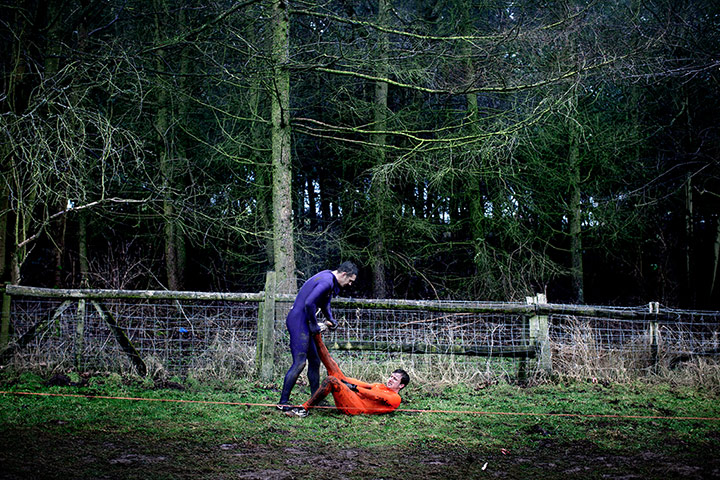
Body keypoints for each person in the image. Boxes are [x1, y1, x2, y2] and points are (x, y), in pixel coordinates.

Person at [277, 261, 358, 412]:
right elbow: (309, 303)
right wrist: (314, 325)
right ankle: (283, 401)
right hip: (298, 321)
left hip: (305, 321)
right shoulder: (327, 281)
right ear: (344, 274)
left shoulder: (331, 281)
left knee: (314, 361)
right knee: (300, 363)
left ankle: (315, 399)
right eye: (350, 281)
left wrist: (331, 319)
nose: (350, 284)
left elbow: (325, 303)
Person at [284, 332, 410, 417]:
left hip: (356, 409)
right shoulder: (381, 386)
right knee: (334, 369)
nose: (390, 379)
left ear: (401, 386)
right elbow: (365, 385)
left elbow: (374, 396)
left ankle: (304, 409)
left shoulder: (395, 398)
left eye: (395, 379)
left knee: (331, 380)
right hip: (353, 400)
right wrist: (344, 380)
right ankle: (316, 335)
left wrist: (353, 387)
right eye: (391, 376)